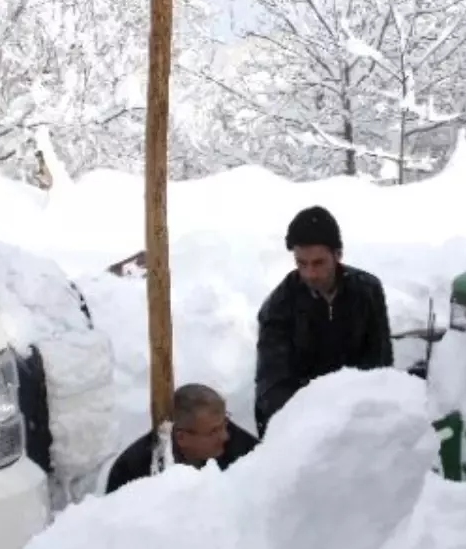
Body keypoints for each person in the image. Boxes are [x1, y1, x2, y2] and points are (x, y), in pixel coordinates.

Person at [252, 205, 393, 438]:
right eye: (301, 263)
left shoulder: (367, 291)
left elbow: (379, 364)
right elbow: (272, 389)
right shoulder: (279, 308)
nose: (309, 273)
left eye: (318, 263)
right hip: (303, 425)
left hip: (359, 413)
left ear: (338, 255)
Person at [104, 383, 257, 494]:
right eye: (214, 432)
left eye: (225, 423)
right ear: (182, 438)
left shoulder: (242, 449)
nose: (225, 435)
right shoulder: (134, 472)